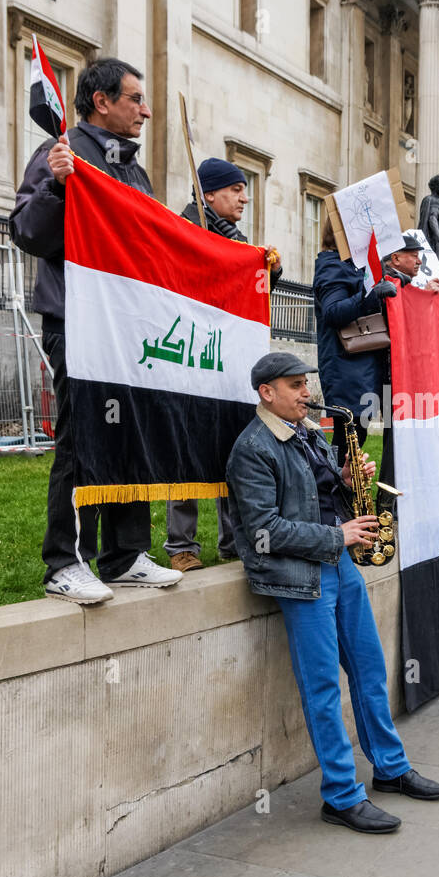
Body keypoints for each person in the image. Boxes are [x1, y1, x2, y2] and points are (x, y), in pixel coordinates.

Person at [225, 351, 439, 833]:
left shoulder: (308, 434)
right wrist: (337, 537)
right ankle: (342, 796)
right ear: (267, 392)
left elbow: (324, 497)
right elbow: (263, 530)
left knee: (369, 669)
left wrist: (350, 481)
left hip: (338, 566)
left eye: (306, 383)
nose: (307, 393)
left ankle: (390, 769)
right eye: (295, 385)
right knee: (323, 687)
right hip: (301, 578)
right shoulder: (253, 448)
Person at [9, 57, 182, 604]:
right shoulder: (60, 153)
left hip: (128, 328)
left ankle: (126, 555)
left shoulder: (135, 170)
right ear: (101, 101)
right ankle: (67, 560)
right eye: (135, 99)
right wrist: (58, 187)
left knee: (130, 435)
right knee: (83, 436)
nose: (146, 110)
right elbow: (27, 231)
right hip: (78, 320)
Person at [166, 157, 284, 573]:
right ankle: (181, 546)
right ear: (208, 194)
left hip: (228, 361)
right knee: (185, 447)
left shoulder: (235, 239)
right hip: (192, 356)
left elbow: (252, 292)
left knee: (231, 447)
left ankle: (234, 540)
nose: (244, 197)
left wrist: (269, 268)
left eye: (243, 189)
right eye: (236, 190)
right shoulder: (184, 228)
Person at [313, 219, 394, 466]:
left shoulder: (355, 266)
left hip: (365, 370)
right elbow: (333, 312)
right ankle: (336, 499)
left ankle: (346, 498)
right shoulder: (331, 266)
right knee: (348, 443)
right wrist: (370, 296)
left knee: (359, 437)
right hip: (347, 371)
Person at [375, 234, 439, 509]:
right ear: (396, 258)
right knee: (394, 441)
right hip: (392, 376)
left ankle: (395, 500)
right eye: (413, 255)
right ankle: (386, 504)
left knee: (403, 438)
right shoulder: (388, 283)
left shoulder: (403, 284)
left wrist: (424, 291)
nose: (419, 260)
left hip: (403, 375)